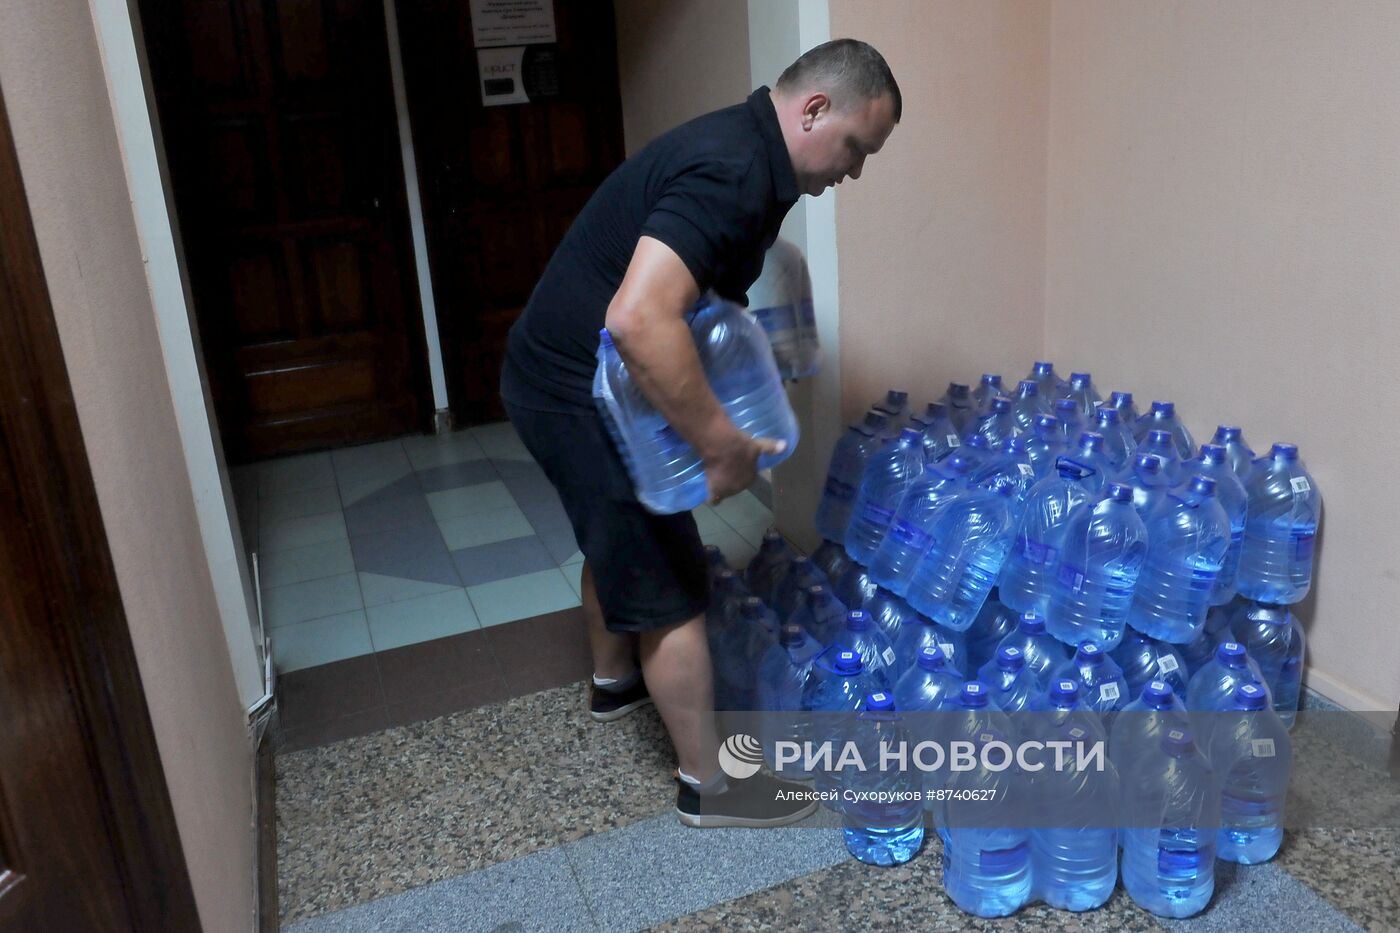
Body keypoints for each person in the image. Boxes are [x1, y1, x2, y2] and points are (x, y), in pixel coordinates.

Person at [500, 39, 900, 827]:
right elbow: (639, 318)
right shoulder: (736, 171)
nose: (853, 170)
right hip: (575, 384)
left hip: (556, 371)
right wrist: (719, 441)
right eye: (857, 147)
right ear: (815, 111)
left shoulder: (748, 151)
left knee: (613, 530)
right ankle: (709, 786)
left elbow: (695, 292)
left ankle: (615, 683)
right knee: (670, 573)